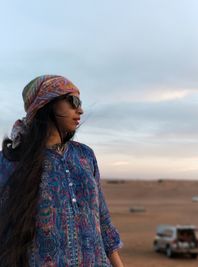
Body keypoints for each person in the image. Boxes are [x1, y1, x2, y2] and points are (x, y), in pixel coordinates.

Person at [0, 75, 124, 267]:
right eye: (73, 101)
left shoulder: (85, 155)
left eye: (80, 102)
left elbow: (103, 221)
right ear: (46, 103)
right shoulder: (9, 161)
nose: (80, 110)